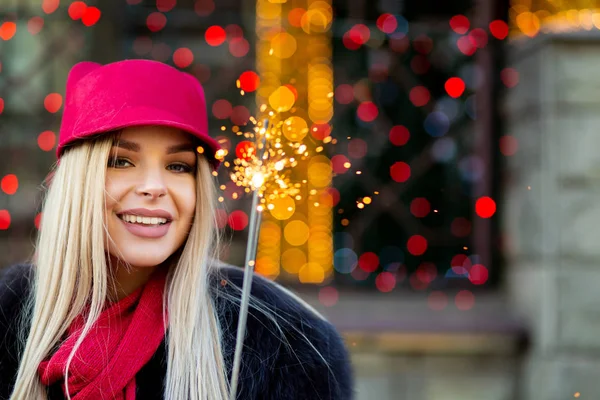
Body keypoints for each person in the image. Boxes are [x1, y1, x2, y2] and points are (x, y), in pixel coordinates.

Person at [0, 59, 354, 399]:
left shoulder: (285, 344)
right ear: (76, 182)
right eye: (121, 161)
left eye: (178, 166)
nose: (154, 186)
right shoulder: (8, 312)